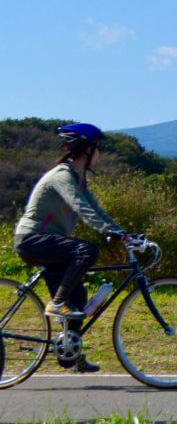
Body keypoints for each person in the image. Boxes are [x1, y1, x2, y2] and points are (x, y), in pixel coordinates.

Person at [12, 123, 129, 373]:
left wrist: (124, 234)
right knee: (87, 251)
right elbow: (80, 207)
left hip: (48, 243)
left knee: (77, 299)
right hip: (32, 239)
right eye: (98, 149)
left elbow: (98, 210)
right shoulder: (62, 175)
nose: (100, 155)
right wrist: (106, 231)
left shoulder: (80, 179)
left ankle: (71, 354)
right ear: (87, 149)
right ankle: (56, 303)